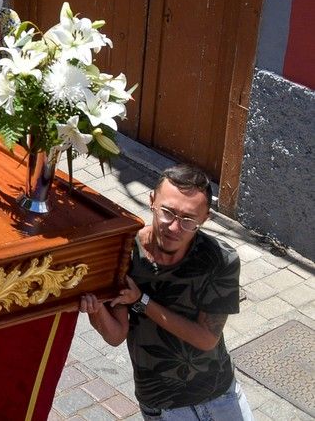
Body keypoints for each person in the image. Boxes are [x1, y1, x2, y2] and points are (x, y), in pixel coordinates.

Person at [79, 164, 250, 421]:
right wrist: (96, 310)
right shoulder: (126, 254)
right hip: (163, 403)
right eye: (167, 212)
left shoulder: (220, 259)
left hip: (220, 393)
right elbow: (115, 335)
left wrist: (142, 301)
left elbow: (206, 339)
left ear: (205, 219)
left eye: (188, 219)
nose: (173, 227)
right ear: (151, 201)